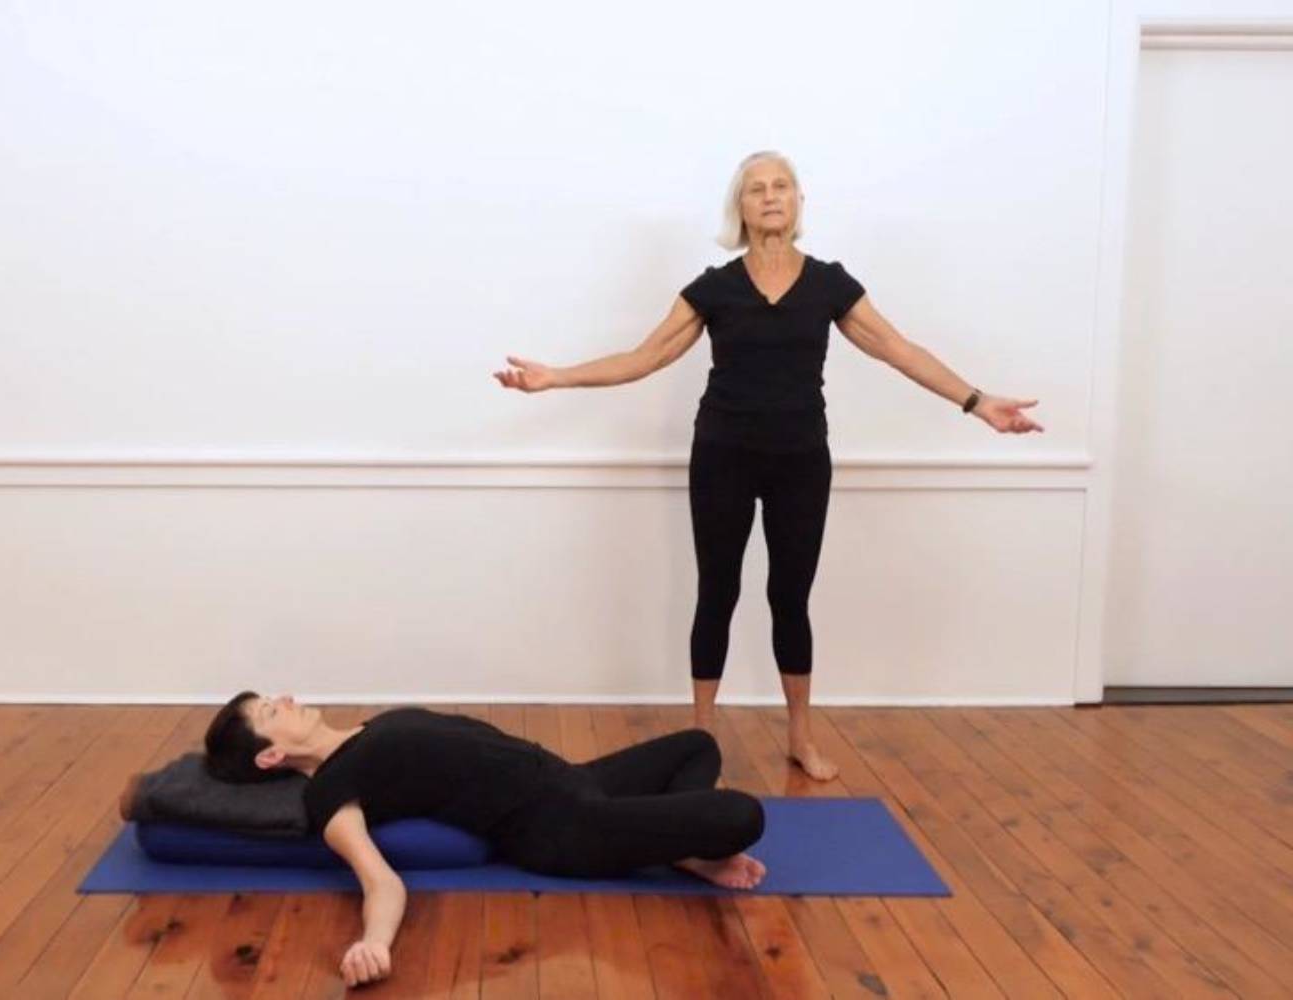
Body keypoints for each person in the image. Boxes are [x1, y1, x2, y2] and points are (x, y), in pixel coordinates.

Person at [494, 150, 1043, 781]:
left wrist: (977, 403)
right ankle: (698, 747)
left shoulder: (830, 283)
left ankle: (800, 738)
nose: (771, 196)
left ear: (799, 201)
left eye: (782, 186)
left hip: (801, 462)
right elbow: (644, 357)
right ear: (742, 208)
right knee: (717, 593)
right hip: (722, 457)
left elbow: (898, 349)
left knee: (791, 597)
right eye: (756, 189)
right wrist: (555, 377)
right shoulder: (715, 288)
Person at [165, 692, 766, 988]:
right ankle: (680, 847)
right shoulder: (330, 795)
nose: (288, 699)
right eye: (273, 710)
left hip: (574, 779)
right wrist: (374, 945)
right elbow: (380, 880)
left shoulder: (372, 726)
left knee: (697, 745)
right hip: (559, 830)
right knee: (742, 816)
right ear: (271, 754)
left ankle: (677, 848)